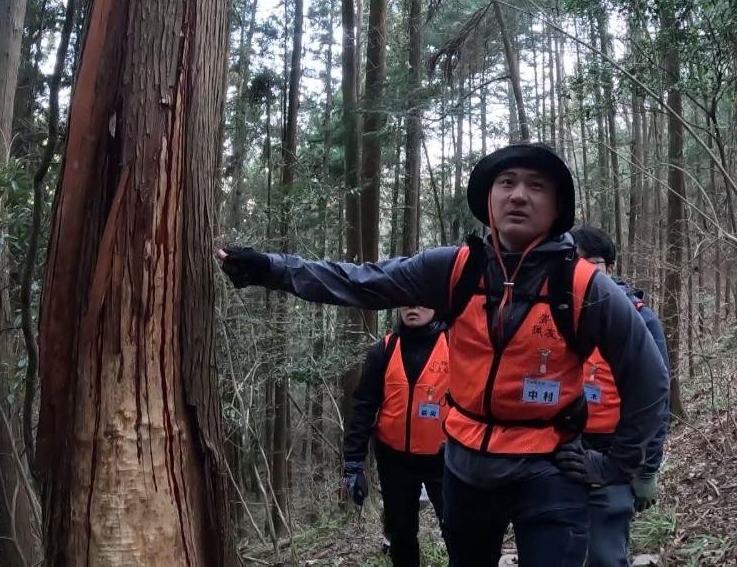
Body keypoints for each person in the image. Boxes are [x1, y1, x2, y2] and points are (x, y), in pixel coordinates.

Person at [218, 143, 668, 566]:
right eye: (506, 182)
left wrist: (616, 465)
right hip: (466, 468)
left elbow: (648, 379)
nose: (519, 195)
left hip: (549, 468)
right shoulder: (456, 268)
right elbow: (363, 281)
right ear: (489, 198)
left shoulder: (586, 287)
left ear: (557, 206)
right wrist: (272, 269)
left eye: (537, 186)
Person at [570, 226, 670, 567]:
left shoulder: (640, 320)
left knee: (604, 555)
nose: (583, 269)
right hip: (562, 448)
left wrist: (647, 469)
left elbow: (656, 397)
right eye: (575, 260)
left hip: (616, 451)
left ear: (609, 268)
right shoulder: (556, 316)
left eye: (593, 262)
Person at [341, 306, 450, 567]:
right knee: (401, 536)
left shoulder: (454, 345)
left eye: (421, 300)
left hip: (444, 461)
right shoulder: (384, 349)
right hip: (395, 461)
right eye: (407, 301)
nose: (413, 307)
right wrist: (353, 462)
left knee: (458, 533)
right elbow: (364, 406)